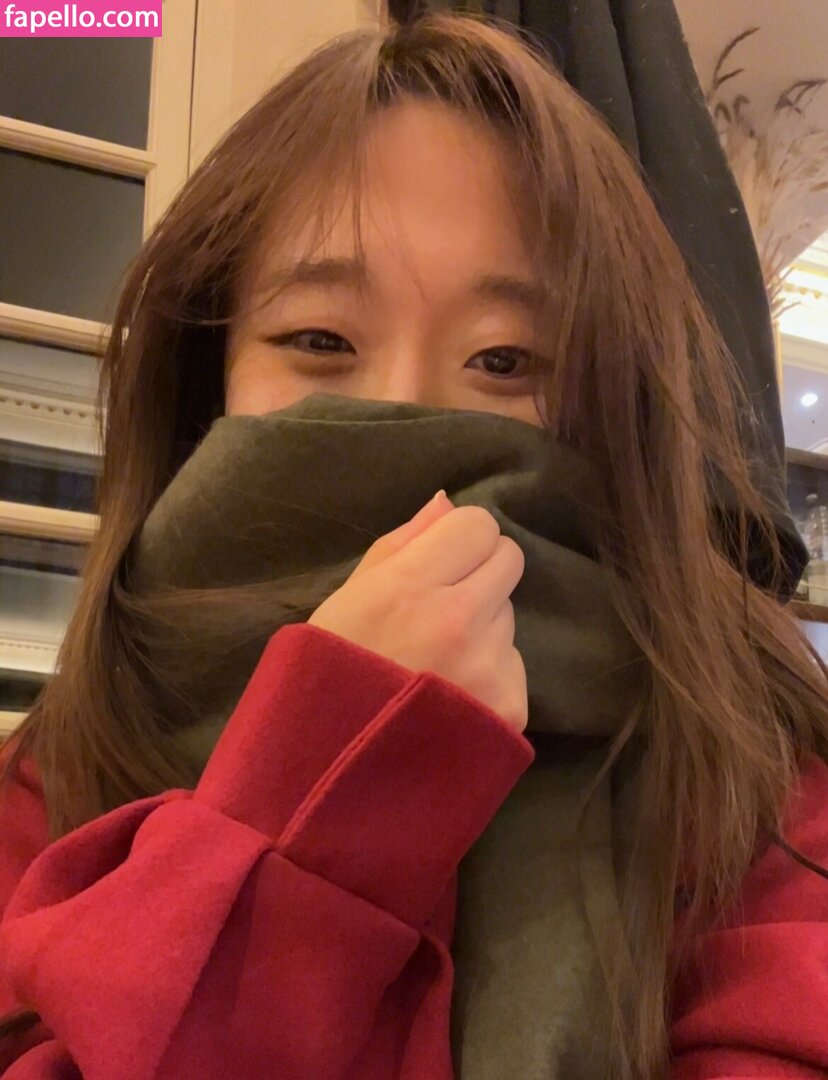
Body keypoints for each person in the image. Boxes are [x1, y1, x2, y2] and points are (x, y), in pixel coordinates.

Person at [1, 12, 826, 1080]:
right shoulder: (70, 759)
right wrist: (325, 786)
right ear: (209, 376)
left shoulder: (747, 759)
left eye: (506, 361)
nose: (404, 411)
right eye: (319, 340)